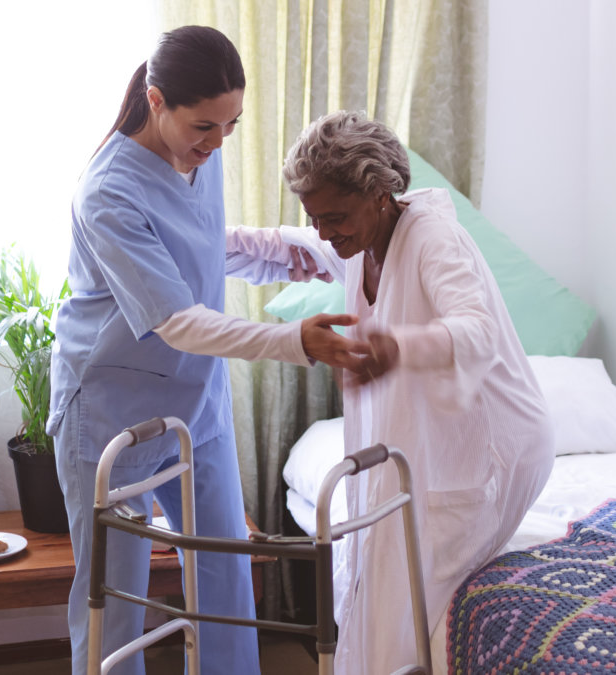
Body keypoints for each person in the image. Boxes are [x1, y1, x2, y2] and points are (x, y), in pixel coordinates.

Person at [49, 26, 368, 675]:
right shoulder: (107, 191)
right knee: (115, 602)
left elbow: (196, 244)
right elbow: (177, 319)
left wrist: (282, 250)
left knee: (225, 574)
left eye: (231, 125)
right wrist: (293, 341)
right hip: (113, 412)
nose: (218, 142)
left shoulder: (199, 148)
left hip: (197, 400)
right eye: (205, 126)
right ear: (156, 99)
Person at [224, 110, 555, 673]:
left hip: (499, 449)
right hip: (440, 442)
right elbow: (282, 248)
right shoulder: (359, 241)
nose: (326, 232)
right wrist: (182, 235)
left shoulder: (433, 239)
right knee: (372, 572)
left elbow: (477, 332)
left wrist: (394, 348)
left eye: (335, 217)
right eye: (316, 217)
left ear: (380, 193)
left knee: (402, 596)